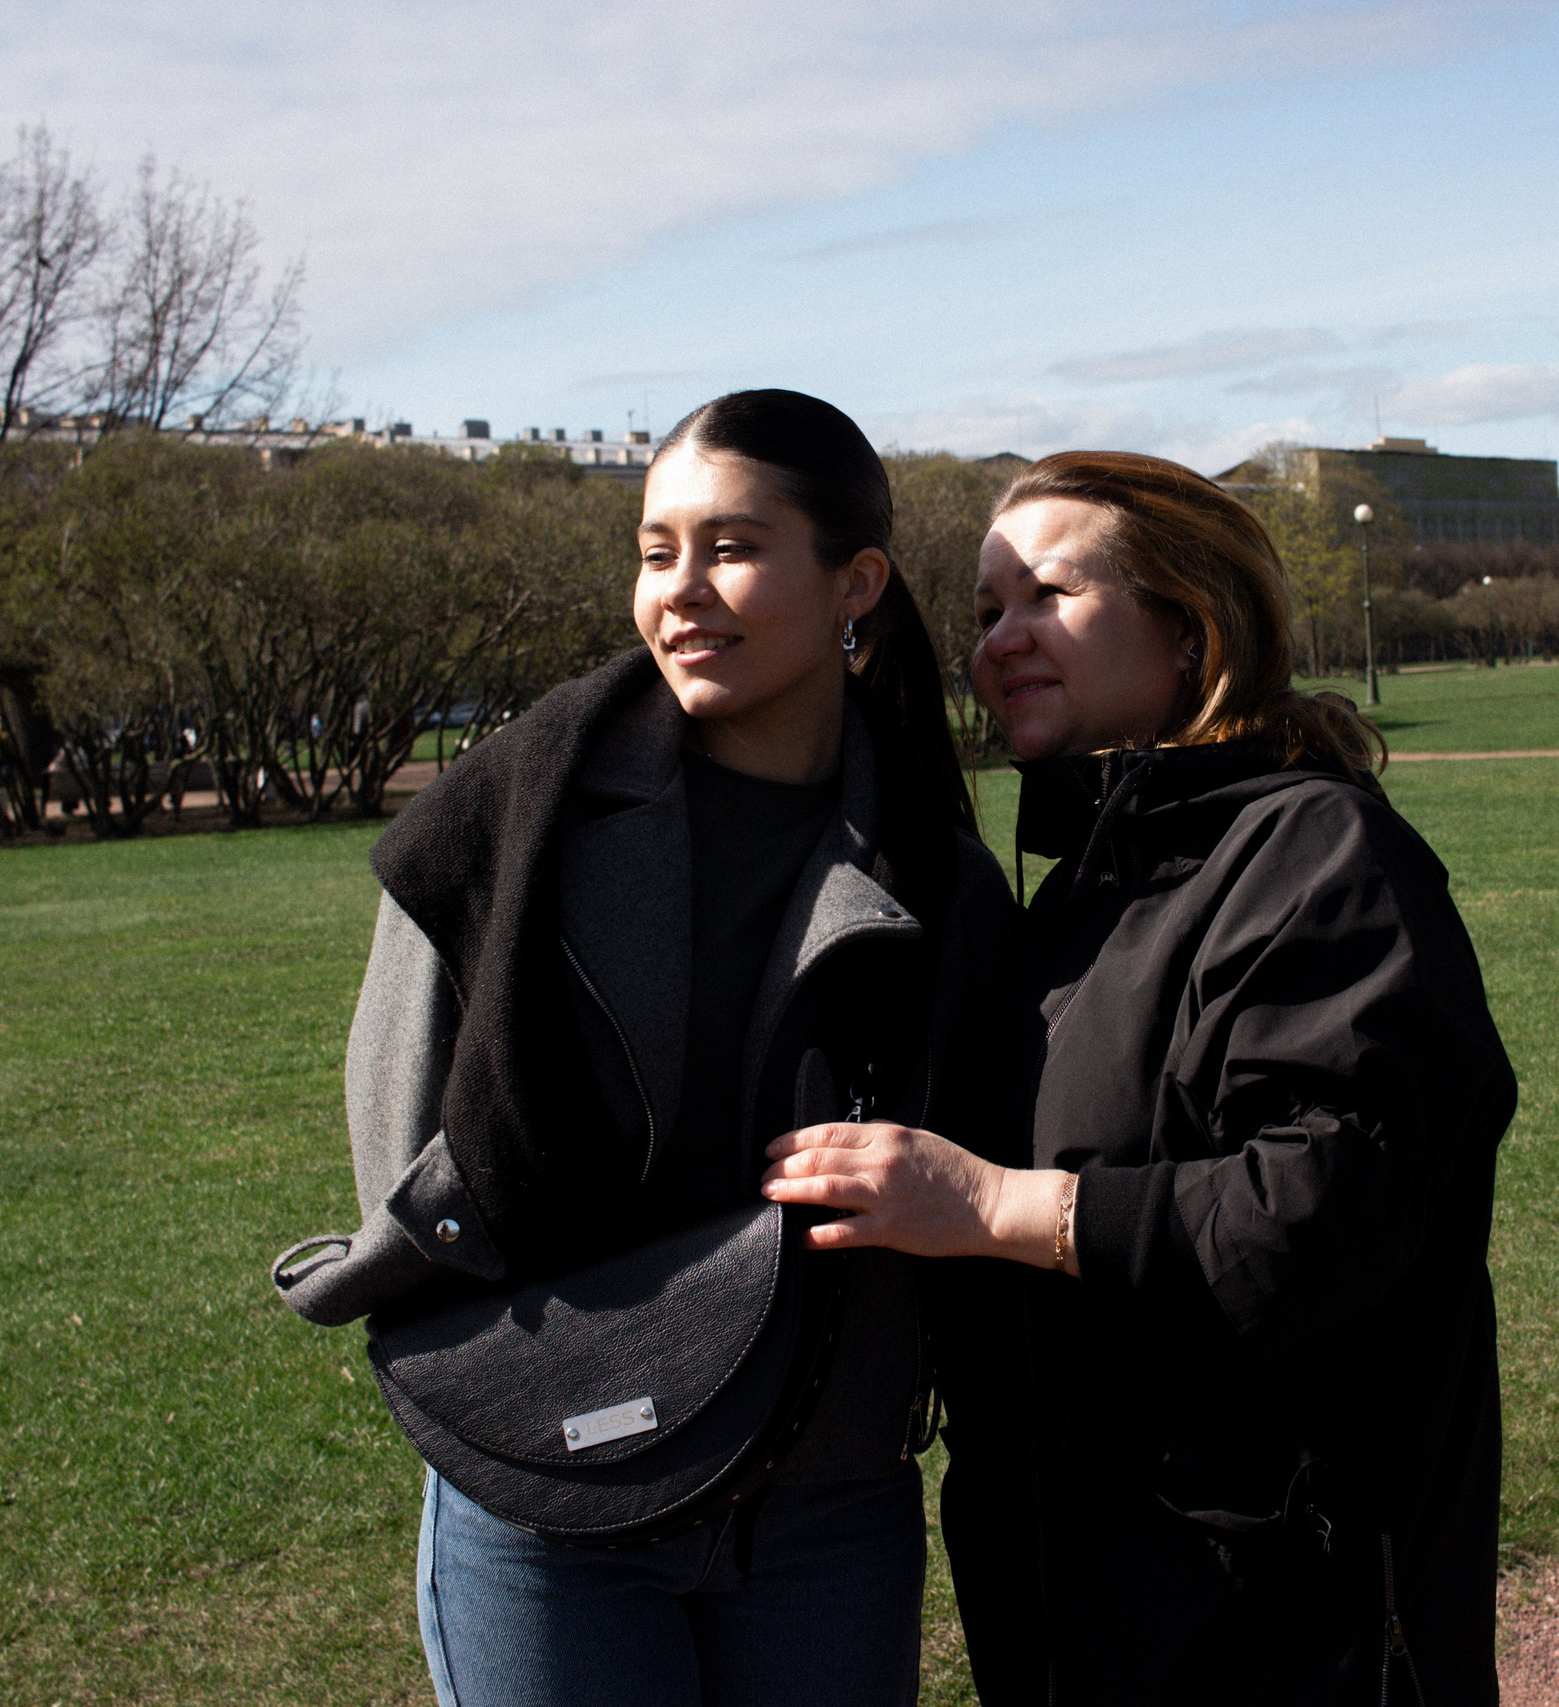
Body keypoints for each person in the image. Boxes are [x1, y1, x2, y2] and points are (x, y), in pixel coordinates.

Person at [272, 390, 1014, 1707]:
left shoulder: (940, 875)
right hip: (549, 1483)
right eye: (655, 549)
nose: (680, 590)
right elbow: (397, 1122)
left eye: (732, 546)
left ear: (858, 579)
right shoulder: (510, 812)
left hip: (826, 1500)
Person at [761, 451, 1516, 1705]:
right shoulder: (1079, 891)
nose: (1001, 639)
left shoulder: (1319, 853)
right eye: (986, 611)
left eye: (1047, 594)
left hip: (1287, 1611)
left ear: (1187, 620)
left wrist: (999, 1207)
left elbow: (1323, 1209)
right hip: (1074, 1600)